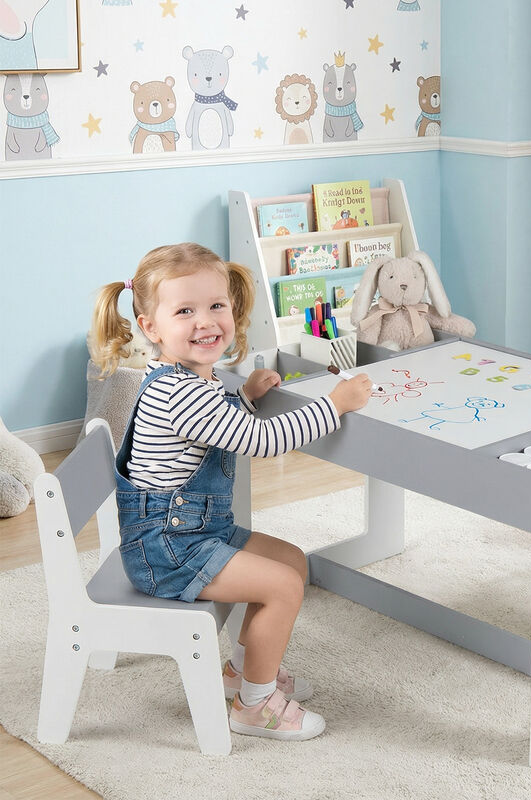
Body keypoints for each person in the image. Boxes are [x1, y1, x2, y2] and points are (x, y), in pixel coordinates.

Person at [90, 242, 372, 741]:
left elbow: (210, 426)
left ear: (232, 307)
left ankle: (242, 673)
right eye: (185, 311)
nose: (205, 322)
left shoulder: (191, 379)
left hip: (195, 533)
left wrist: (242, 395)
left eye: (216, 305)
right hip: (170, 551)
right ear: (151, 327)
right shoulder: (180, 393)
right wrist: (335, 404)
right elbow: (262, 441)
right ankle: (254, 708)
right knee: (282, 586)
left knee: (291, 561)